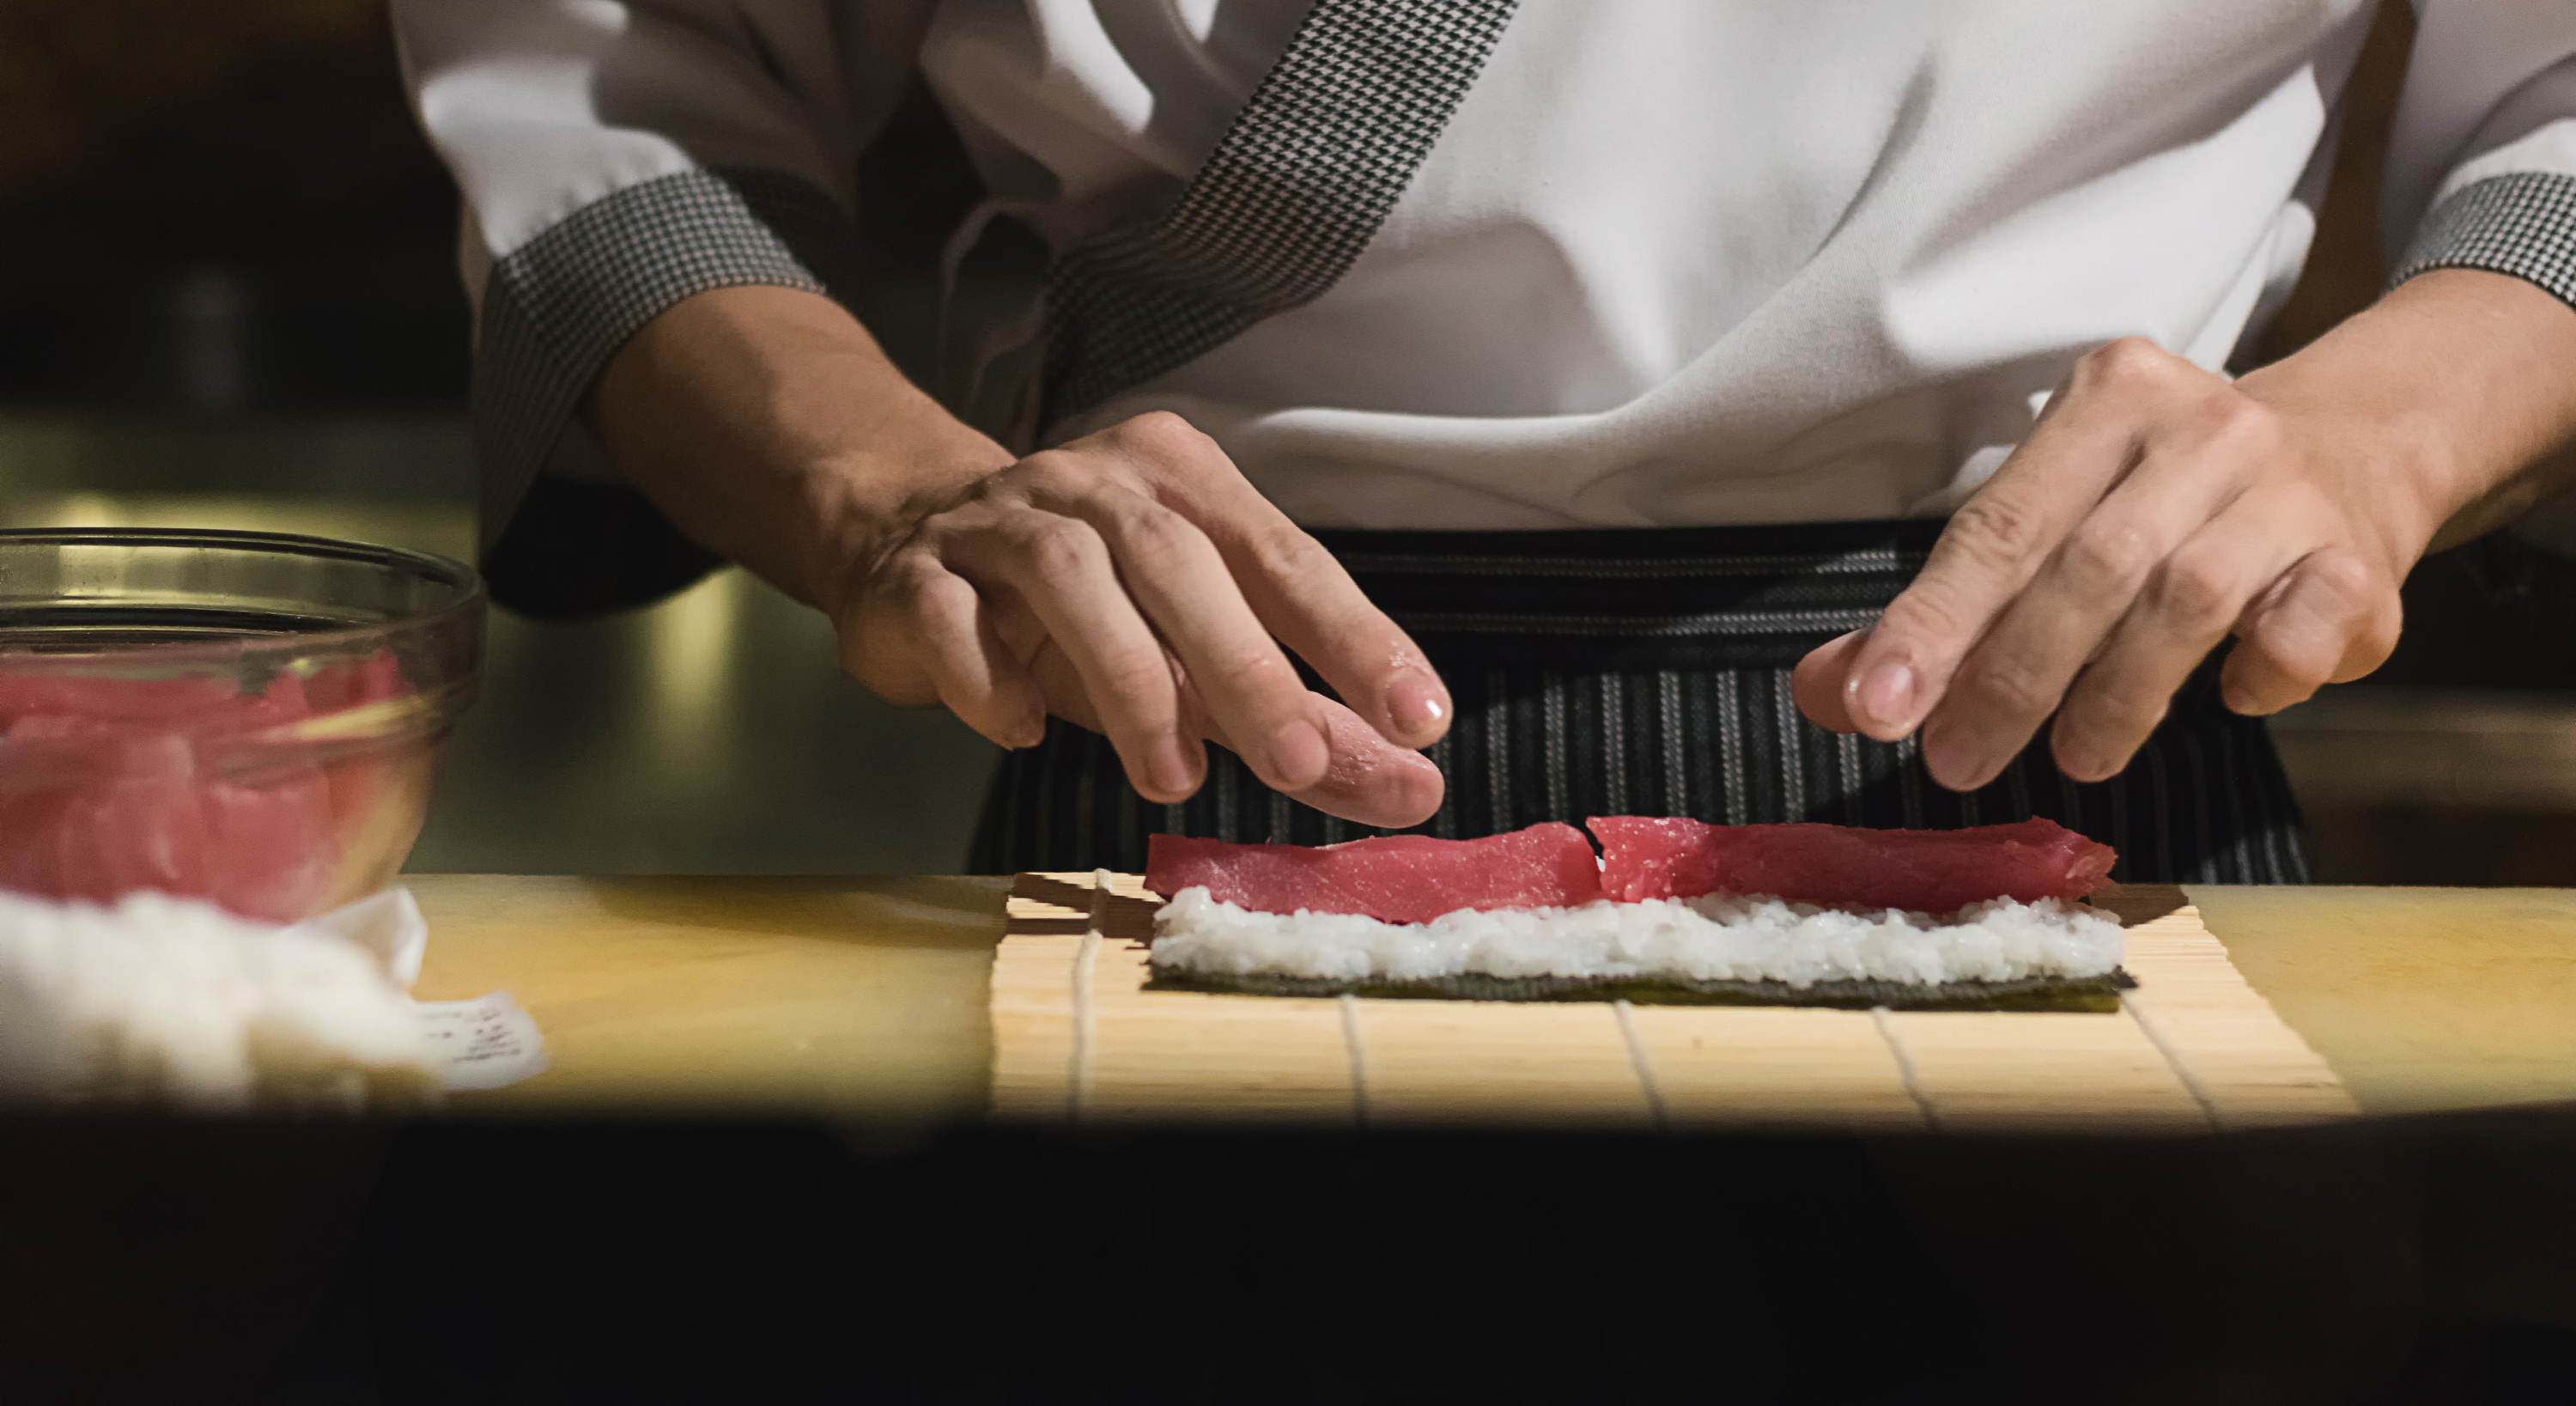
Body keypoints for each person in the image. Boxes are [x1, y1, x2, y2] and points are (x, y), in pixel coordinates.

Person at [392, 0, 2576, 878]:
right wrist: (889, 487)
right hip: (1194, 716)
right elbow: (613, 81)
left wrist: (2375, 441)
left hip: (2070, 714)